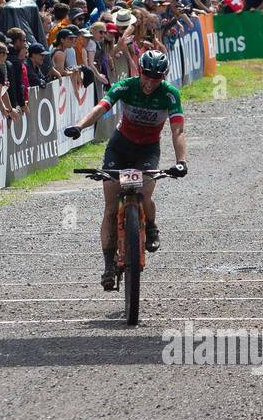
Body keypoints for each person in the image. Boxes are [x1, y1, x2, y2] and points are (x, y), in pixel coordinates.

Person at [63, 49, 187, 289]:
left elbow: (177, 130)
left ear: (164, 76)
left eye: (157, 77)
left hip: (148, 150)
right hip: (120, 147)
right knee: (110, 208)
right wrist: (79, 127)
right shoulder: (125, 86)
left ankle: (151, 226)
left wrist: (182, 161)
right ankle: (108, 266)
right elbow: (101, 107)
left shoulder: (170, 95)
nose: (151, 82)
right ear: (139, 71)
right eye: (147, 75)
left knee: (146, 192)